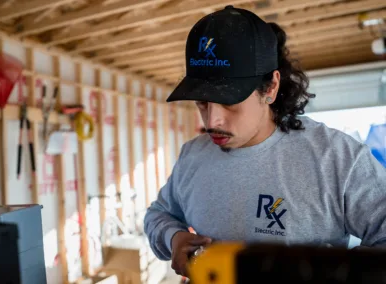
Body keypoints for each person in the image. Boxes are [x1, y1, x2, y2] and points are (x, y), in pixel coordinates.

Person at [144, 5, 386, 278]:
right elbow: (158, 214)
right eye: (202, 102)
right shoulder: (192, 156)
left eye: (228, 101)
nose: (212, 121)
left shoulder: (337, 159)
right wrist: (173, 237)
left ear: (270, 87)